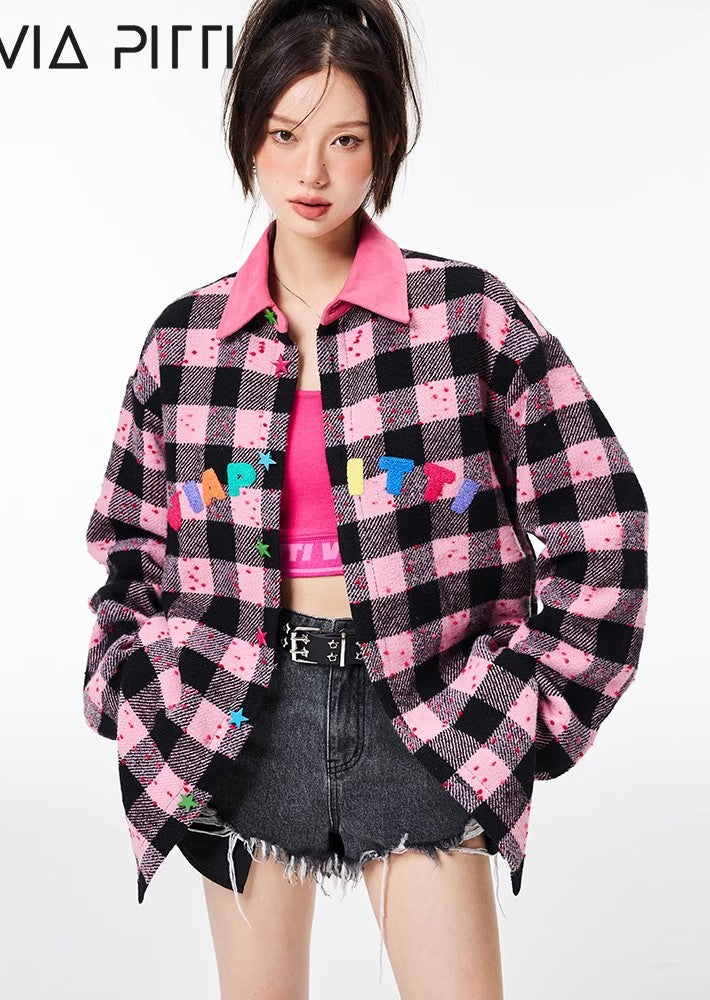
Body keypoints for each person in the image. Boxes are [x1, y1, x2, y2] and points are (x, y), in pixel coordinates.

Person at [82, 1, 649, 997]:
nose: (311, 172)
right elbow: (130, 548)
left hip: (426, 705)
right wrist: (135, 683)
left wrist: (527, 707)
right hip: (237, 716)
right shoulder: (185, 343)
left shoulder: (468, 317)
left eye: (344, 139)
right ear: (247, 134)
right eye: (284, 135)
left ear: (383, 144)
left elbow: (601, 523)